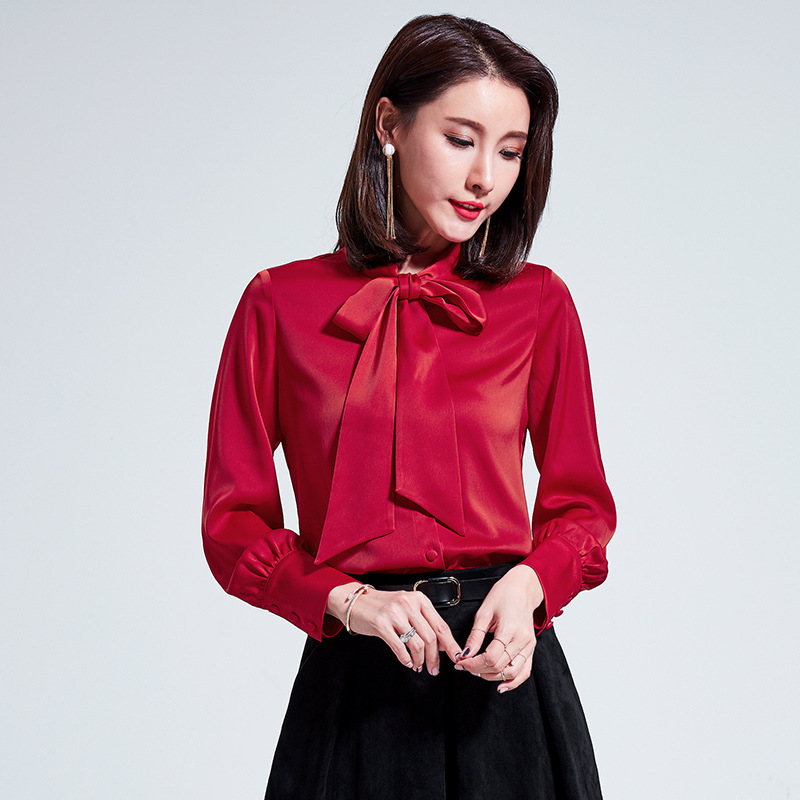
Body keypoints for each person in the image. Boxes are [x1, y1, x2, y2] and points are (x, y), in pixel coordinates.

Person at [202, 13, 616, 800]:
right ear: (389, 124)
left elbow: (582, 507)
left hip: (507, 685)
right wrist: (346, 601)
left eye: (511, 150)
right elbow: (233, 524)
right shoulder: (278, 305)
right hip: (358, 685)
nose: (485, 177)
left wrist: (530, 589)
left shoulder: (540, 305)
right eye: (461, 139)